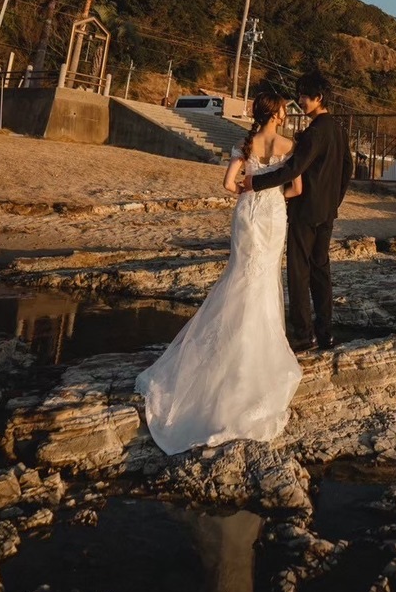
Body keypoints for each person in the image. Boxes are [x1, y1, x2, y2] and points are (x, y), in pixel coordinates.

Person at [135, 92, 303, 454]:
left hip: (247, 214)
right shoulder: (290, 145)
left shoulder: (245, 142)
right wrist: (273, 197)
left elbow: (229, 184)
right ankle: (256, 353)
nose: (287, 112)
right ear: (276, 113)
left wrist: (249, 194)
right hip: (274, 215)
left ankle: (223, 347)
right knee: (265, 279)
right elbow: (296, 188)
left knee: (241, 277)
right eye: (284, 108)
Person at [246, 71, 353, 353]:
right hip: (327, 213)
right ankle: (326, 333)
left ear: (318, 98)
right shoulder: (339, 129)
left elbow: (293, 169)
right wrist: (334, 202)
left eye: (305, 96)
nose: (300, 101)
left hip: (304, 211)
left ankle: (304, 336)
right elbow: (348, 169)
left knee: (298, 273)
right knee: (321, 271)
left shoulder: (315, 132)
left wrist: (255, 182)